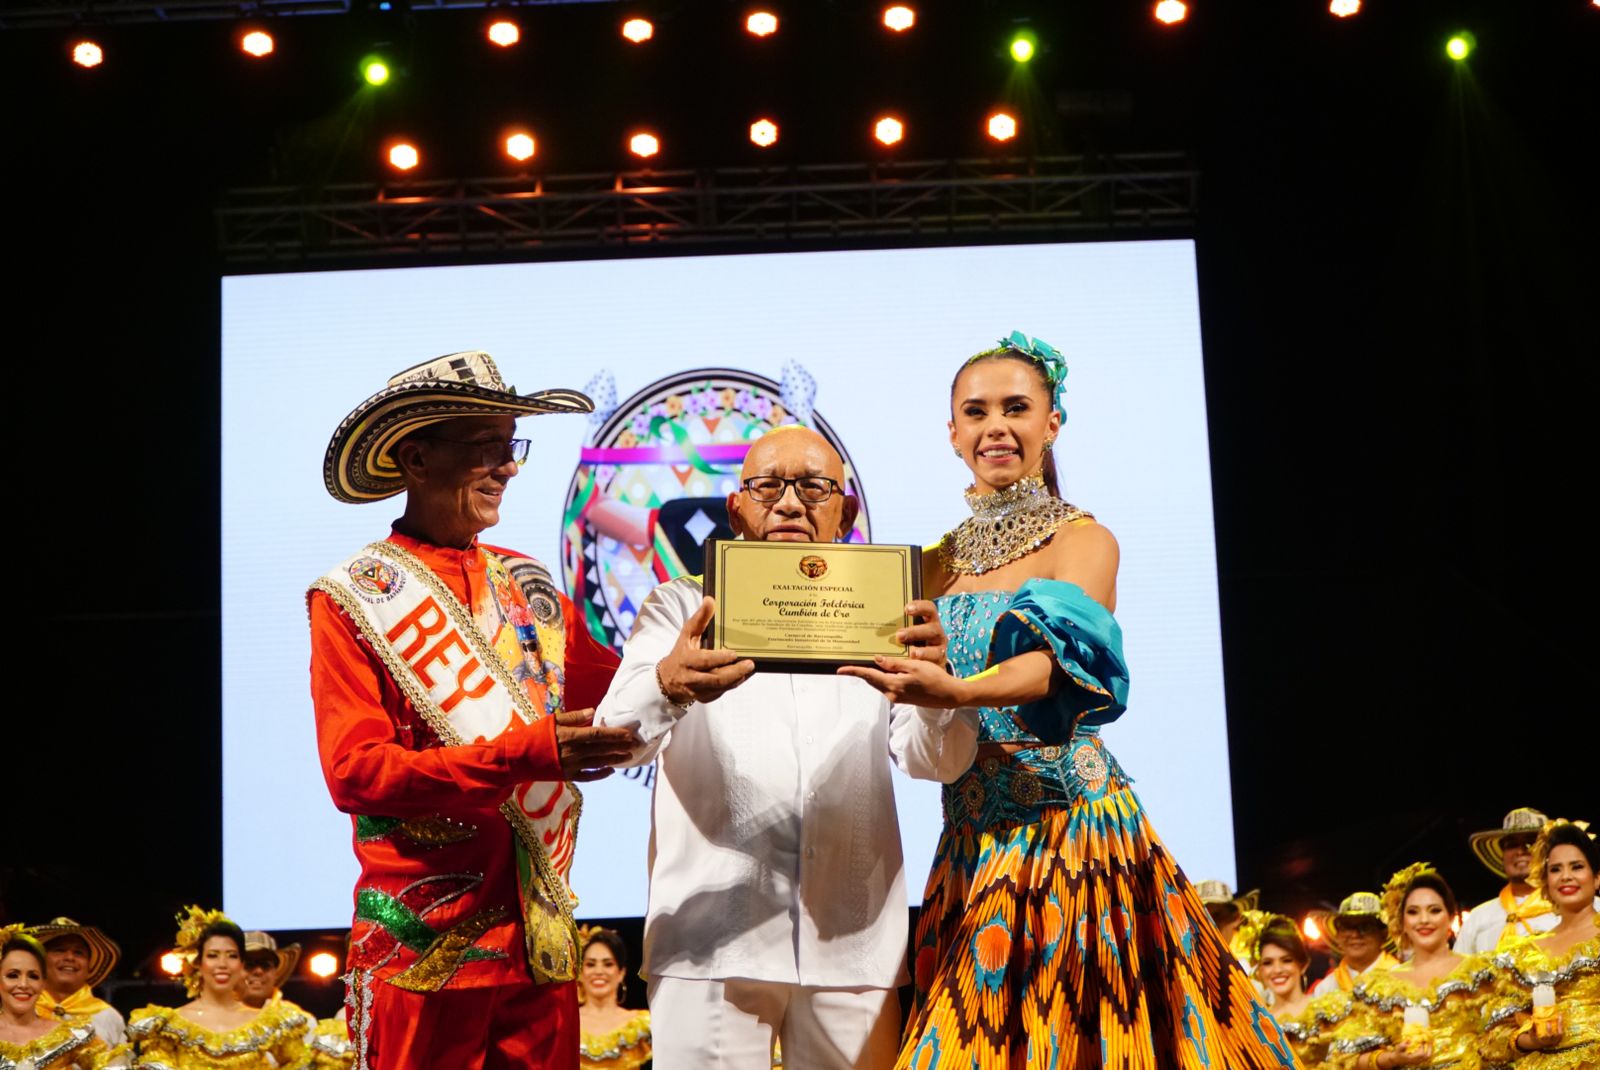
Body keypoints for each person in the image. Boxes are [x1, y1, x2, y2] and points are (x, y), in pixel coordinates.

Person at [838, 331, 1296, 1069]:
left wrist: (957, 687)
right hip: (969, 839)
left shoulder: (1083, 542)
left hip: (1069, 835)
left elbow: (1055, 664)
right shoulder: (923, 566)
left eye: (1017, 408)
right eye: (976, 411)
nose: (997, 427)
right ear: (951, 432)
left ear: (1052, 424)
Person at [595, 424, 980, 1069]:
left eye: (814, 486)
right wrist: (669, 682)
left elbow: (934, 761)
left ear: (846, 510)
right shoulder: (681, 606)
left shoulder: (888, 613)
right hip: (712, 940)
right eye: (767, 486)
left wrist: (938, 696)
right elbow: (617, 742)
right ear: (736, 508)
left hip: (853, 941)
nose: (790, 503)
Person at [308, 351, 634, 1070]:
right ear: (416, 459)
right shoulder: (352, 598)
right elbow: (356, 774)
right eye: (485, 448)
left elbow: (614, 700)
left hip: (539, 945)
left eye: (511, 446)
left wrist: (678, 670)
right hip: (424, 950)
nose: (508, 467)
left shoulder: (528, 581)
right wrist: (534, 753)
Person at [1324, 866, 1494, 1070]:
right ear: (1402, 922)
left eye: (1434, 910)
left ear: (1450, 917)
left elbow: (1503, 1037)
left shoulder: (1481, 971)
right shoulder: (1380, 986)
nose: (1424, 920)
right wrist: (1392, 1058)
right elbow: (1348, 1059)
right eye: (1413, 912)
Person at [1478, 819, 1599, 1068]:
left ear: (1596, 878)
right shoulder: (1525, 954)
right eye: (1555, 869)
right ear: (1545, 882)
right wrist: (1530, 1040)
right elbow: (1493, 1038)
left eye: (1576, 867)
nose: (1566, 876)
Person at [127, 907, 312, 1068]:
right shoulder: (169, 1027)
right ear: (198, 962)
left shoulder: (271, 1024)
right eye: (213, 955)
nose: (222, 964)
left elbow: (298, 1062)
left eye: (232, 956)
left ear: (240, 964)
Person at [0, 925, 112, 1069]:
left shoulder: (70, 1035)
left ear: (42, 984)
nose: (23, 984)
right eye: (13, 975)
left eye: (33, 976)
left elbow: (112, 1064)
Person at [1251, 915, 1350, 1069]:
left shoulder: (1326, 1012)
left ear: (1303, 965)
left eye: (1286, 960)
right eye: (1268, 963)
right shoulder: (1255, 1022)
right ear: (1260, 970)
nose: (1277, 970)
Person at [1456, 807, 1559, 954]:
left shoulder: (1574, 908)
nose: (1520, 851)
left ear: (1547, 852)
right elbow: (1457, 974)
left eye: (1531, 842)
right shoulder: (1478, 918)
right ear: (1502, 855)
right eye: (1511, 845)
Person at [30, 918, 126, 1047]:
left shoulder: (108, 1017)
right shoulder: (19, 1008)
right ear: (39, 961)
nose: (70, 957)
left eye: (78, 953)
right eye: (60, 950)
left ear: (89, 967)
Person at [576, 929, 650, 1070]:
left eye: (608, 964)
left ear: (621, 973)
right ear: (581, 972)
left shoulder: (643, 1026)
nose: (599, 971)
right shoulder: (564, 1025)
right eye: (591, 964)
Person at [1311, 893, 1400, 998]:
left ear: (1383, 934)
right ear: (1338, 935)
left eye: (1365, 927)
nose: (1355, 934)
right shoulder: (1324, 989)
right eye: (1347, 927)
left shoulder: (1402, 979)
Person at [237, 932, 305, 1015]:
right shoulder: (218, 1019)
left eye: (266, 965)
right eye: (249, 965)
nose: (258, 971)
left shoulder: (299, 1020)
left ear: (275, 973)